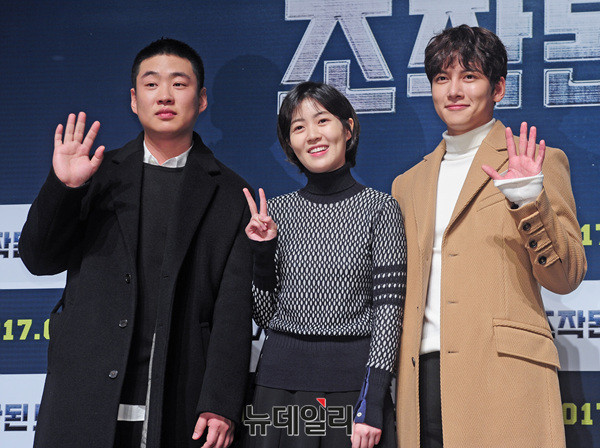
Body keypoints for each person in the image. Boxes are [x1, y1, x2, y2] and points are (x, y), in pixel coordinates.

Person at [20, 38, 253, 448]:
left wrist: (220, 402)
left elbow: (233, 311)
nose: (164, 95)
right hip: (82, 399)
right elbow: (39, 260)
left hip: (179, 403)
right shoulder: (95, 174)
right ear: (133, 99)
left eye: (179, 84)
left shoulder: (232, 194)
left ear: (201, 100)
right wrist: (64, 188)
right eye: (151, 84)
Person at [392, 25, 587, 447]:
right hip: (422, 378)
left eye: (470, 76)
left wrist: (528, 198)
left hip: (504, 374)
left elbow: (566, 276)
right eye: (441, 78)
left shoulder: (536, 161)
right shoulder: (407, 184)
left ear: (498, 88)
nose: (454, 91)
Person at [242, 81, 406, 448]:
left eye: (322, 121)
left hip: (352, 388)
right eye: (298, 127)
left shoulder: (381, 209)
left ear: (348, 129)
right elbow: (266, 316)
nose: (312, 135)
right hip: (277, 386)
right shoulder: (276, 213)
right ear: (290, 144)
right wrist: (263, 254)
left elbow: (389, 313)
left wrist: (372, 401)